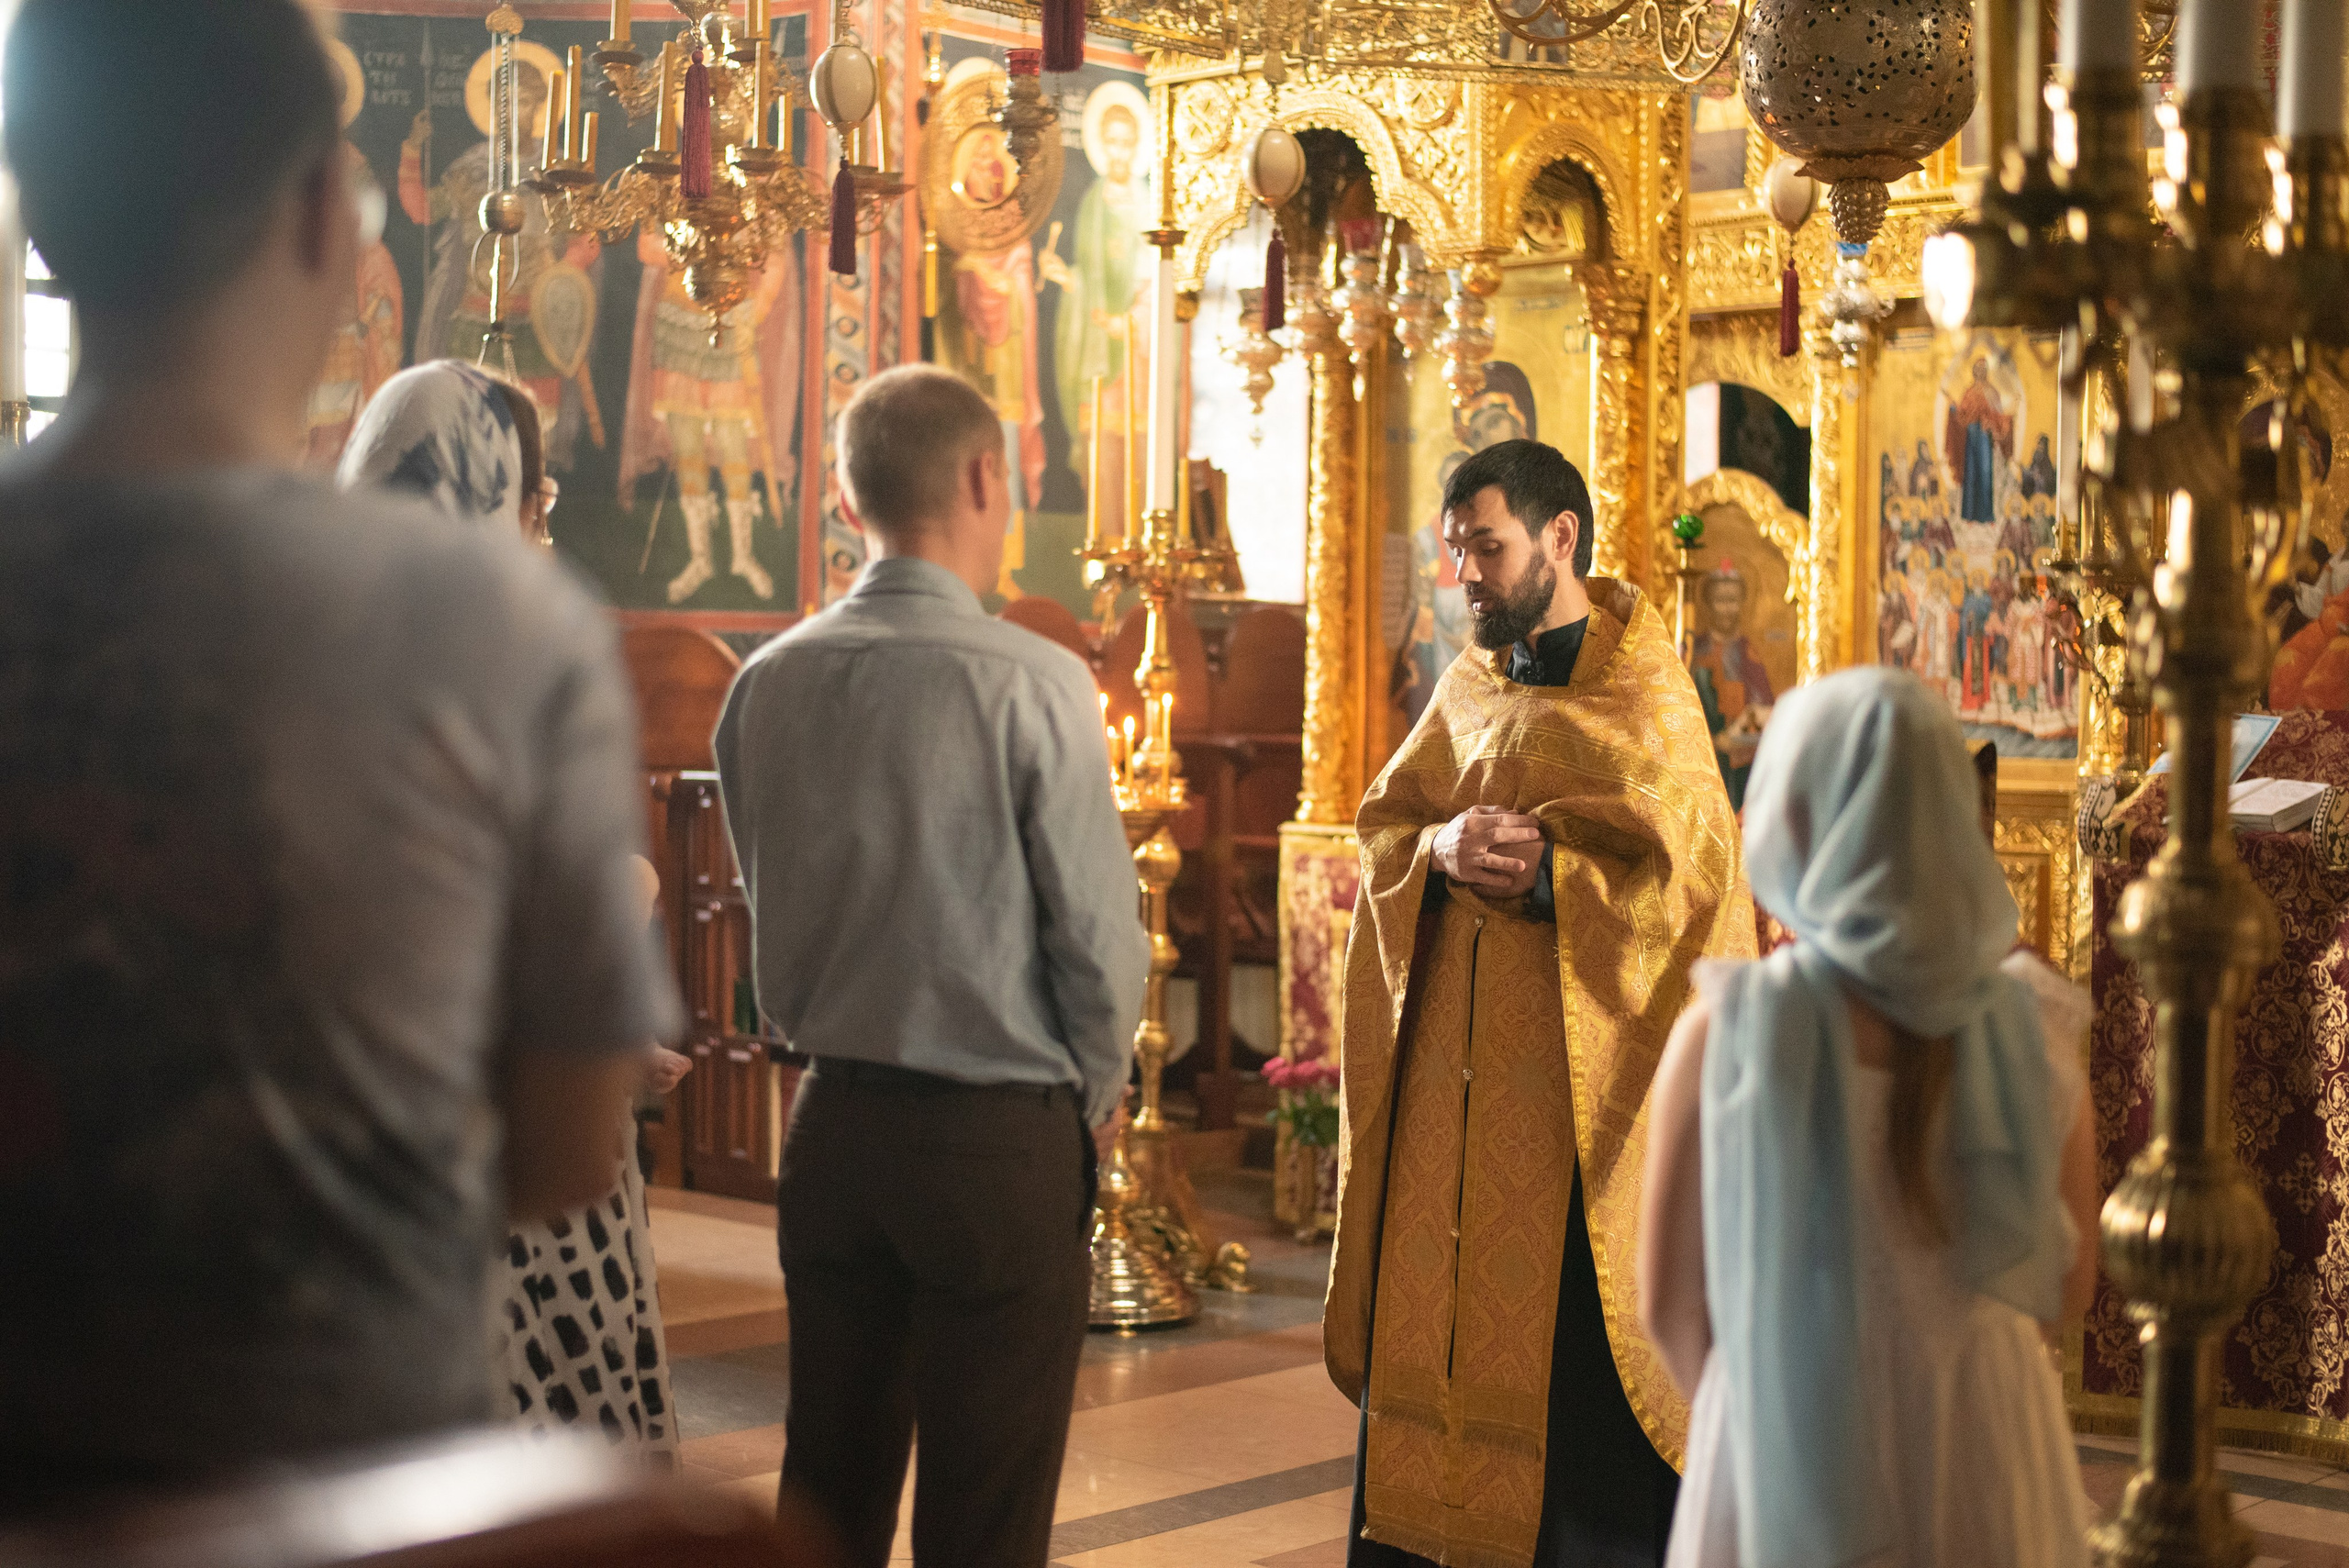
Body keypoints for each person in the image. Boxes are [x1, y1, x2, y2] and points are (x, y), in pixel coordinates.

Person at [0, 0, 679, 1510]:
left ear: (41, 217)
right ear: (326, 212)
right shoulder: (494, 623)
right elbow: (571, 1143)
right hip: (357, 1480)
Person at [713, 365, 1146, 1568]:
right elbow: (1098, 942)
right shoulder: (1034, 679)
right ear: (980, 479)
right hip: (995, 1139)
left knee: (825, 1505)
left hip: (833, 1129)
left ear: (850, 504)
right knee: (986, 1521)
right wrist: (1096, 1095)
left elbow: (769, 899)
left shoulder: (767, 680)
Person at [1330, 438, 1756, 1568]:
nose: (1465, 572)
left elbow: (1689, 886)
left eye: (1487, 544)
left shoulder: (1646, 694)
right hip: (1445, 1124)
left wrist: (1551, 884)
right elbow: (1382, 829)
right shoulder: (1471, 681)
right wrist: (1437, 845)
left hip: (1571, 1126)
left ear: (1559, 537)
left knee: (1565, 1398)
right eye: (1455, 549)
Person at [1637, 668, 2097, 1568]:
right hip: (1984, 1433)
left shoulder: (1727, 1028)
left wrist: (1757, 1422)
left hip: (1785, 1429)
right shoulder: (2033, 1027)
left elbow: (1667, 1299)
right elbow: (2068, 1283)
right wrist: (1960, 1370)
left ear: (1792, 820)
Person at [337, 367, 692, 1458]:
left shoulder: (314, 649)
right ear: (492, 492)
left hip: (358, 1174)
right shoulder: (509, 660)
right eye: (535, 502)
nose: (541, 531)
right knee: (548, 1464)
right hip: (517, 1184)